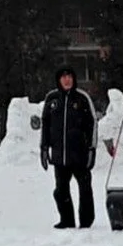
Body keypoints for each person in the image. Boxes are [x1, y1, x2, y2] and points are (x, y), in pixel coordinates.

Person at [41, 66, 99, 229]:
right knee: (61, 191)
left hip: (79, 154)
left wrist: (91, 149)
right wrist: (44, 148)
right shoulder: (51, 99)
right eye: (63, 77)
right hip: (60, 155)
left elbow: (92, 124)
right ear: (59, 80)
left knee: (85, 189)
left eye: (69, 77)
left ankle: (86, 221)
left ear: (73, 79)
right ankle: (67, 220)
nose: (67, 80)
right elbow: (45, 124)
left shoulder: (82, 98)